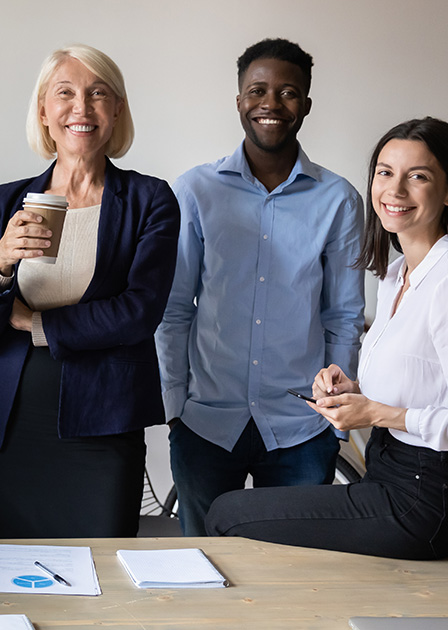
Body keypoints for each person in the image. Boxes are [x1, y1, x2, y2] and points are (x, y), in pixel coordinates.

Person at [205, 117, 448, 559]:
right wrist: (353, 393)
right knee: (236, 515)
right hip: (390, 476)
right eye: (385, 173)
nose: (395, 190)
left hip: (425, 500)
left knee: (227, 514)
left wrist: (377, 412)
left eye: (419, 176)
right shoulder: (397, 274)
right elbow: (424, 384)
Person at [0, 44, 179, 538]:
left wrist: (35, 322)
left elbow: (139, 312)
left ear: (117, 110)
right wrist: (0, 263)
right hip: (10, 422)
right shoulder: (3, 201)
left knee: (103, 576)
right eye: (65, 93)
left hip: (103, 421)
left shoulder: (150, 199)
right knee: (16, 575)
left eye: (98, 93)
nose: (81, 108)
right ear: (43, 110)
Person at [154, 37, 365, 537]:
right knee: (205, 565)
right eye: (257, 90)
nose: (271, 103)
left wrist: (335, 408)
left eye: (287, 92)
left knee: (295, 574)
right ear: (239, 101)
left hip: (301, 426)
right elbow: (175, 307)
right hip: (205, 422)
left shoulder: (339, 199)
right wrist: (174, 406)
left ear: (306, 105)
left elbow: (343, 315)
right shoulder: (195, 190)